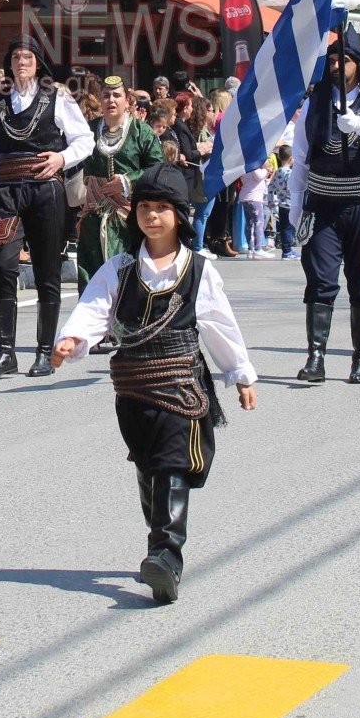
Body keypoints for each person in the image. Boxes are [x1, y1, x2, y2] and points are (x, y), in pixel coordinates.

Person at [51, 163, 257, 605]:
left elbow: (219, 325)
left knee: (172, 464)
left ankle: (165, 556)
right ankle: (158, 541)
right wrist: (71, 339)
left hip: (182, 387)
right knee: (148, 467)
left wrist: (240, 375)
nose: (152, 215)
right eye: (145, 207)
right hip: (132, 391)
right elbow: (94, 309)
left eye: (163, 208)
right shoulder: (121, 268)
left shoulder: (199, 270)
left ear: (179, 215)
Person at [287, 24, 360, 385]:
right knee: (319, 279)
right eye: (333, 59)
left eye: (345, 59)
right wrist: (295, 203)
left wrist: (359, 126)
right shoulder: (314, 103)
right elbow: (302, 157)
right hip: (322, 203)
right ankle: (316, 357)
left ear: (359, 65)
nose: (337, 65)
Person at [0, 39, 91, 381]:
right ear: (8, 63)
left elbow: (84, 139)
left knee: (47, 270)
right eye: (15, 57)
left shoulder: (57, 96)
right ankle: (5, 353)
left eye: (27, 57)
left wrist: (61, 158)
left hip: (46, 189)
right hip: (10, 189)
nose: (21, 62)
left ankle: (44, 352)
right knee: (3, 265)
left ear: (38, 62)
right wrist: (0, 184)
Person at [78, 76, 163, 285]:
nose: (111, 100)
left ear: (127, 100)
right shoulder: (88, 130)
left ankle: (125, 317)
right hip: (94, 216)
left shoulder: (141, 132)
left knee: (127, 274)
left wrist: (128, 181)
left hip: (129, 218)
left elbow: (159, 169)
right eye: (106, 96)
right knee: (91, 275)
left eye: (117, 95)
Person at [271, 144, 297, 259]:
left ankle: (287, 249)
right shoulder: (290, 173)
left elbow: (271, 187)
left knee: (283, 227)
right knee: (288, 228)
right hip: (289, 204)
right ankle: (287, 251)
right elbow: (292, 188)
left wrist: (272, 202)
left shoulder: (277, 172)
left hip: (281, 204)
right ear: (291, 158)